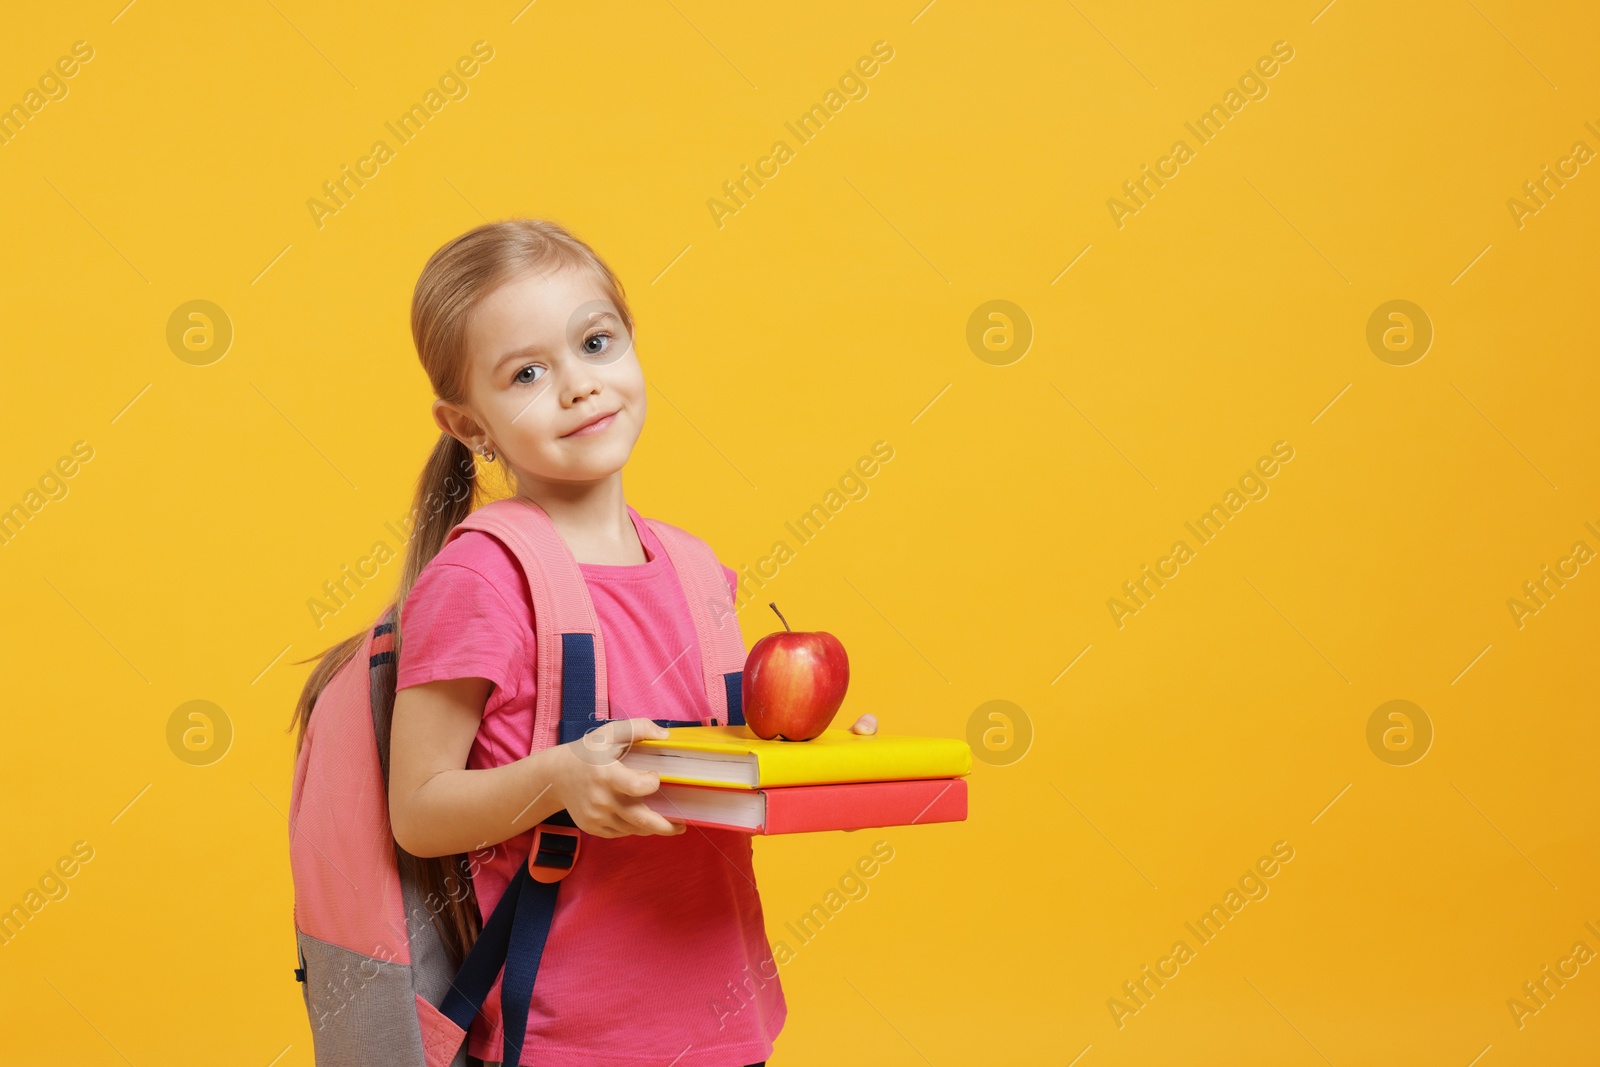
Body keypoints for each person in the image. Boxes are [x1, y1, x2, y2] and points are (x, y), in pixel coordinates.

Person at [379, 217, 877, 1067]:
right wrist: (559, 779)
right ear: (469, 426)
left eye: (596, 342)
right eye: (528, 373)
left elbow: (701, 772)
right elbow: (418, 811)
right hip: (574, 1040)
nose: (579, 385)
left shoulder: (697, 568)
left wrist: (813, 768)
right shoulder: (482, 579)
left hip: (729, 1019)